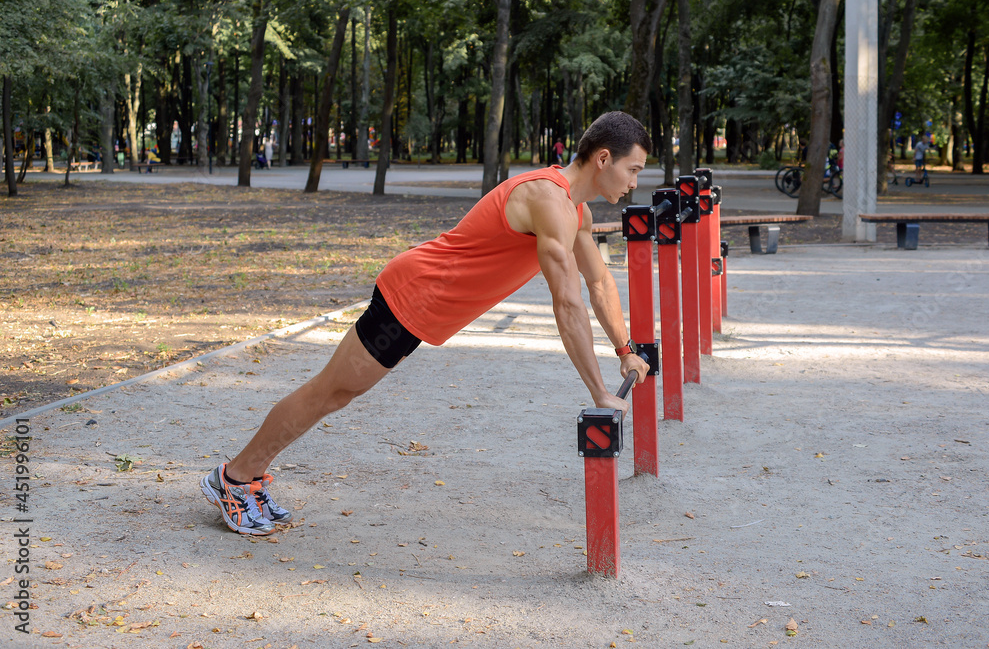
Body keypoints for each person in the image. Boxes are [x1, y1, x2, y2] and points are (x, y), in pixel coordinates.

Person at [200, 111, 652, 536]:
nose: (634, 182)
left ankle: (246, 477)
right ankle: (235, 478)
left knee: (336, 394)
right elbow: (567, 302)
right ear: (603, 159)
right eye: (632, 170)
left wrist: (625, 349)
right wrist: (599, 392)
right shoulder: (547, 199)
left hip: (424, 308)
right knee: (330, 391)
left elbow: (598, 283)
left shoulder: (576, 211)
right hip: (413, 294)